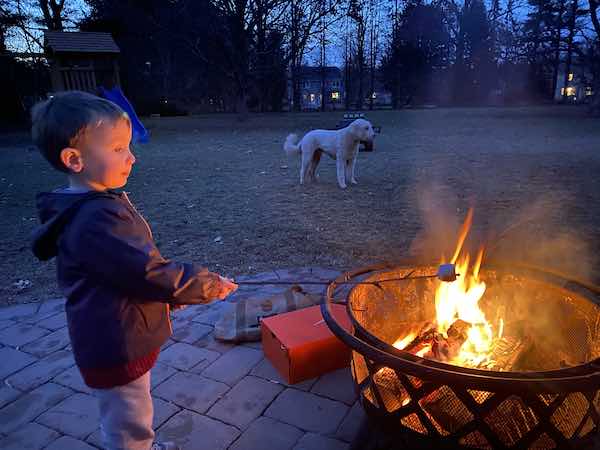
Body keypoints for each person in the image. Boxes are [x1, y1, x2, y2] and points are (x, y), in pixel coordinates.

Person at [30, 90, 238, 450]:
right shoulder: (97, 217)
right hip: (116, 343)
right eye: (118, 149)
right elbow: (147, 273)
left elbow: (120, 276)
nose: (131, 158)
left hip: (114, 332)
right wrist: (205, 284)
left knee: (131, 414)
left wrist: (166, 303)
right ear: (74, 159)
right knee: (129, 423)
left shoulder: (90, 206)